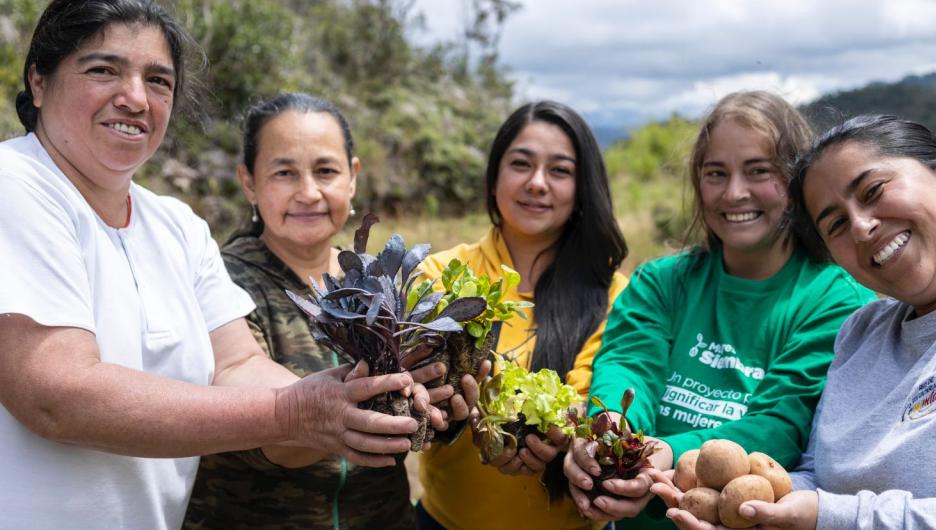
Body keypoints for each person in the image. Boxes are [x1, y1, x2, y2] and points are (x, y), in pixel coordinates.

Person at [0, 3, 433, 529]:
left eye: (158, 80)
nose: (135, 97)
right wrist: (291, 413)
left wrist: (347, 395)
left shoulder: (177, 226)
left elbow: (235, 366)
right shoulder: (15, 182)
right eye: (103, 69)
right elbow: (56, 394)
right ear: (39, 82)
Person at [673, 115, 936, 530]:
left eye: (873, 191)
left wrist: (828, 516)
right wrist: (755, 510)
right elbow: (817, 477)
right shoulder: (861, 332)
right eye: (836, 224)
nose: (861, 226)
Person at [566, 91, 875, 530]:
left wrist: (666, 454)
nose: (735, 193)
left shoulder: (835, 300)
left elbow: (781, 423)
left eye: (758, 171)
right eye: (716, 173)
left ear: (795, 181)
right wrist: (611, 433)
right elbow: (628, 364)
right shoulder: (661, 282)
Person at [183, 93, 471, 529]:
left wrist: (443, 412)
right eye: (284, 172)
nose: (309, 192)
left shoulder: (381, 282)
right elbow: (265, 438)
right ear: (248, 181)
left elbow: (424, 410)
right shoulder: (221, 284)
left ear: (352, 178)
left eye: (326, 171)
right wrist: (354, 412)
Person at [415, 100, 630, 530]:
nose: (537, 183)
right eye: (521, 164)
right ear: (494, 177)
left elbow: (595, 397)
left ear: (583, 186)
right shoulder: (440, 275)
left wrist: (563, 432)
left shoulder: (613, 292)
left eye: (559, 170)